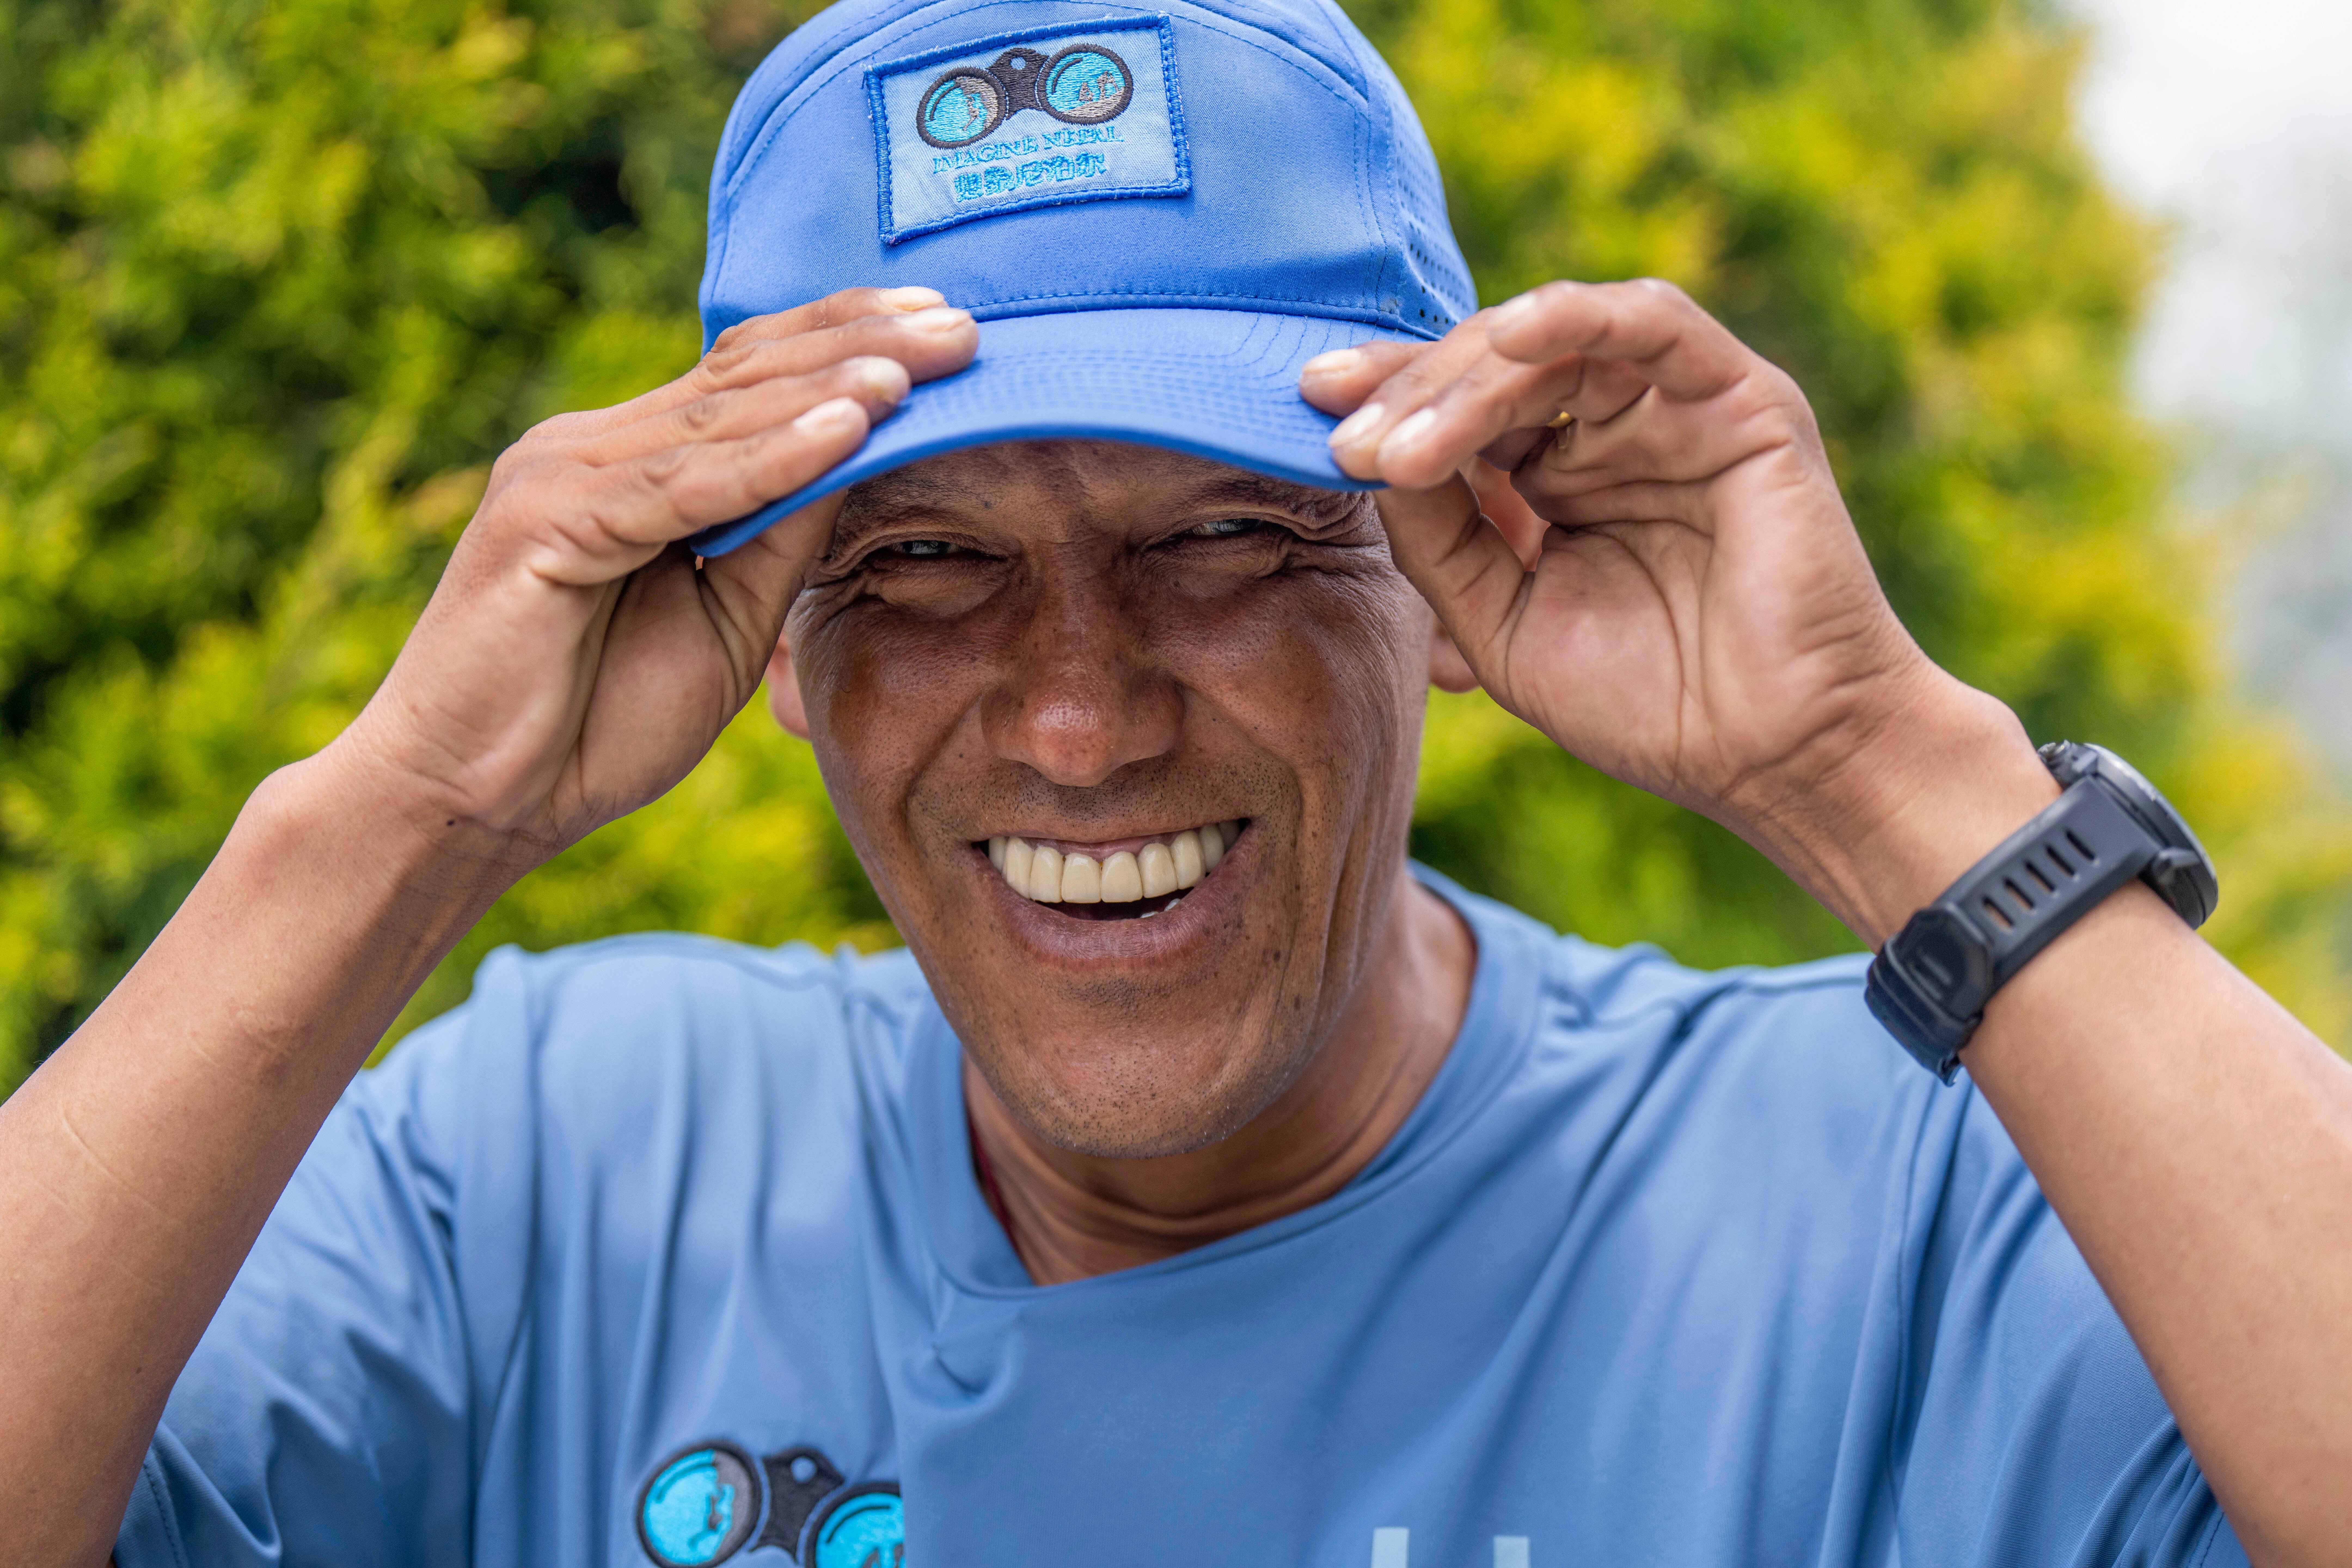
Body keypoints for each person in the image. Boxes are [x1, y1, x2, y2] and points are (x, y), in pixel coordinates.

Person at [4, 0, 2348, 1563]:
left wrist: (1883, 769)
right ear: (772, 651)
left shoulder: (1904, 1211)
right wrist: (403, 813)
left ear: (1447, 573)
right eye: (918, 564)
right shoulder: (553, 1171)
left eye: (1223, 536)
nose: (1077, 715)